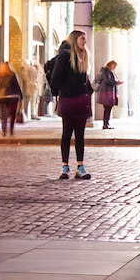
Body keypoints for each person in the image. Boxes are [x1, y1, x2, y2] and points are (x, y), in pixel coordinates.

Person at [46, 30, 94, 181]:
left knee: (80, 135)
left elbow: (83, 78)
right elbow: (55, 80)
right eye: (82, 38)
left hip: (82, 101)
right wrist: (71, 90)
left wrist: (89, 90)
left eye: (85, 39)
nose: (85, 42)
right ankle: (65, 166)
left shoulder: (83, 56)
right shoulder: (66, 55)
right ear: (75, 40)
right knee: (67, 133)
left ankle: (80, 166)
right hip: (69, 100)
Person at [0, 58, 22, 139]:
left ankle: (4, 130)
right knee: (12, 115)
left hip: (2, 96)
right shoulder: (12, 74)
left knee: (3, 114)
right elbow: (17, 86)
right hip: (12, 96)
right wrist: (21, 95)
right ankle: (11, 130)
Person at [97, 58, 120, 130]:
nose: (115, 68)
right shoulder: (106, 72)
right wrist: (116, 82)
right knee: (107, 109)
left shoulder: (109, 72)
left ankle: (107, 123)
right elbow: (107, 81)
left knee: (108, 109)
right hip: (107, 92)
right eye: (114, 66)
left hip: (109, 92)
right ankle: (105, 124)